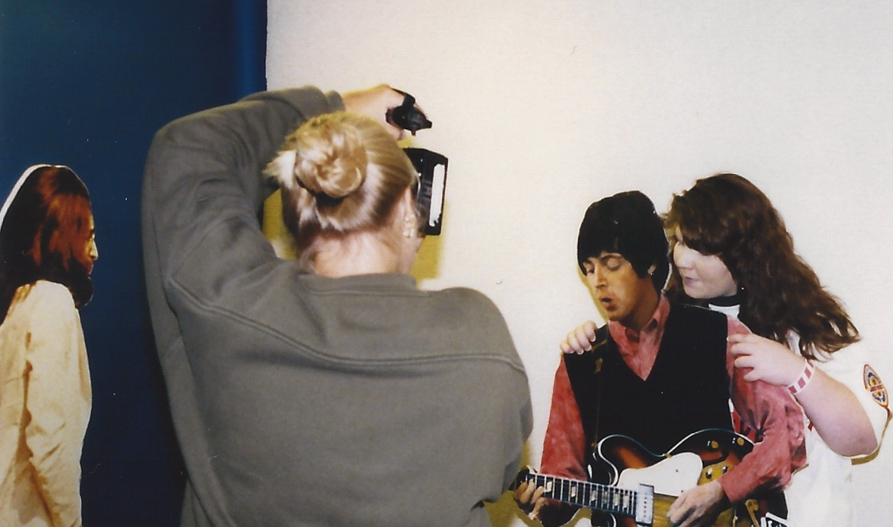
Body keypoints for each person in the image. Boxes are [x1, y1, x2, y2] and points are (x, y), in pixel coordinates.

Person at [141, 85, 533, 527]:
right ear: (408, 207)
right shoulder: (478, 338)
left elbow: (187, 148)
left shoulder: (226, 300)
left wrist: (334, 109)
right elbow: (501, 470)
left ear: (296, 211)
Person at [517, 191, 805, 527]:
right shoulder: (579, 362)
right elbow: (563, 484)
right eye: (589, 269)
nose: (599, 281)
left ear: (650, 262)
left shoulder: (719, 333)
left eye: (611, 264)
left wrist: (723, 491)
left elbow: (788, 433)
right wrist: (540, 501)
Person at [663, 173, 889, 527]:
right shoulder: (669, 327)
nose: (683, 259)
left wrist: (797, 372)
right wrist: (592, 348)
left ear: (744, 253)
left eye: (702, 248)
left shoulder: (809, 325)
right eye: (679, 241)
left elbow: (864, 438)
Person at [0, 165, 97, 527]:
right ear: (60, 236)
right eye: (86, 236)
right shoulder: (52, 302)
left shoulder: (16, 307)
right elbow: (50, 445)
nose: (96, 252)